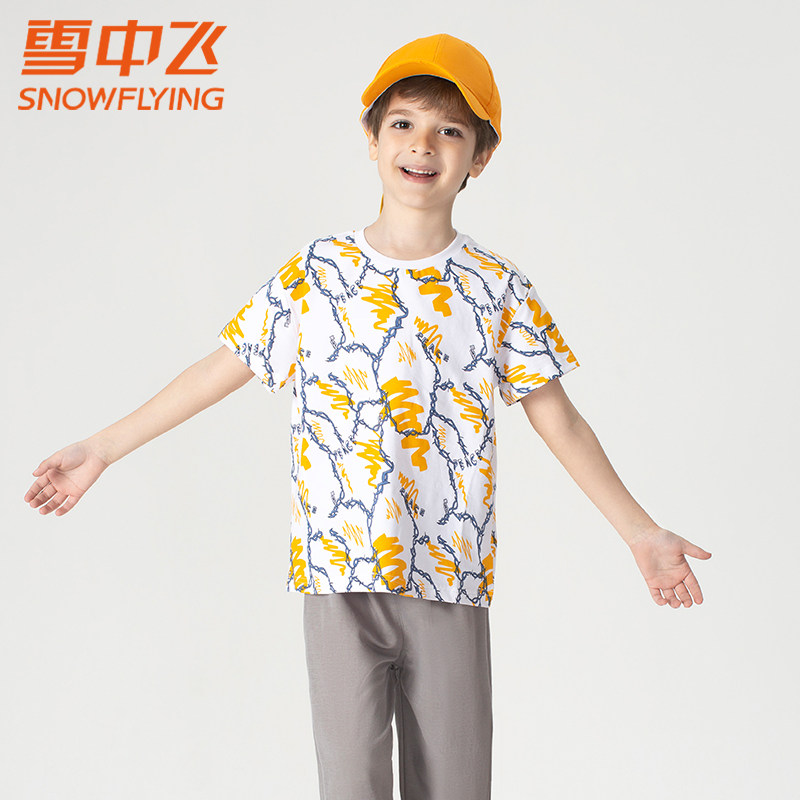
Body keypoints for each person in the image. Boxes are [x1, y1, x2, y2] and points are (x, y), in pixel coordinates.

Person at [24, 33, 712, 800]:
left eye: (450, 131)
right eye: (404, 123)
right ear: (373, 137)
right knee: (349, 786)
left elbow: (561, 421)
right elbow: (220, 369)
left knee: (455, 786)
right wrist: (102, 447)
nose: (423, 145)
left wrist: (641, 533)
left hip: (448, 574)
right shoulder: (319, 273)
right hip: (338, 573)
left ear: (481, 156)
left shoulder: (495, 287)